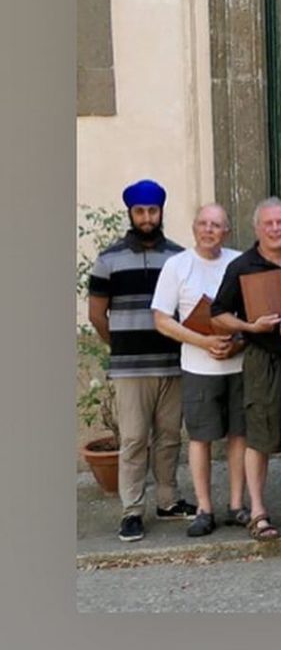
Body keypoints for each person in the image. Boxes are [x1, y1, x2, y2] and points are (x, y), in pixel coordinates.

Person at [88, 179, 194, 542]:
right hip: (131, 368)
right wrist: (120, 346)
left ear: (161, 212)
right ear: (130, 214)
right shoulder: (108, 260)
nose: (147, 218)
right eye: (140, 211)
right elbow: (97, 316)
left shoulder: (179, 258)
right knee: (134, 440)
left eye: (153, 211)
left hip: (172, 363)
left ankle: (168, 500)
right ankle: (132, 511)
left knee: (168, 437)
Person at [210, 198, 281, 542]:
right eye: (268, 224)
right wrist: (251, 327)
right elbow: (218, 314)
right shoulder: (242, 266)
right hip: (262, 358)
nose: (275, 229)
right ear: (257, 228)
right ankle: (257, 510)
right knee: (260, 434)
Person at [151, 203, 248, 537]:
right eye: (203, 224)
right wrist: (203, 342)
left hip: (238, 364)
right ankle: (204, 509)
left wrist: (237, 343)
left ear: (227, 231)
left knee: (240, 435)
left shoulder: (239, 263)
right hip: (197, 367)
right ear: (194, 228)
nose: (209, 230)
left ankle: (237, 505)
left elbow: (252, 314)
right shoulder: (177, 266)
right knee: (201, 438)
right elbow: (162, 319)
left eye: (217, 225)